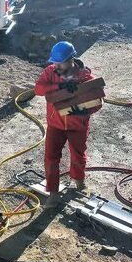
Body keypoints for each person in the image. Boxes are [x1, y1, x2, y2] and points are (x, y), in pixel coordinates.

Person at [34, 41, 101, 207]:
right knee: (51, 157)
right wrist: (60, 85)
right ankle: (53, 193)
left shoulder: (85, 77)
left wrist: (81, 111)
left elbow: (97, 102)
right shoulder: (50, 72)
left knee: (78, 155)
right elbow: (38, 89)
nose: (56, 65)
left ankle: (79, 181)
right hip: (55, 125)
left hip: (77, 126)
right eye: (54, 62)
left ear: (72, 59)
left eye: (60, 62)